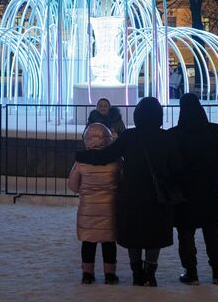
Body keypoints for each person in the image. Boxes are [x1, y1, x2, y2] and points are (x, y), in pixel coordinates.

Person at [77, 97, 183, 287]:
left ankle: (136, 273)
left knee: (134, 233)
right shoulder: (167, 137)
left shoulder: (130, 136)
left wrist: (82, 156)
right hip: (158, 195)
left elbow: (106, 155)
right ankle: (150, 274)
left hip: (132, 192)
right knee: (154, 234)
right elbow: (177, 167)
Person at [168, 93, 218, 285]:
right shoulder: (214, 131)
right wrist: (213, 174)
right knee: (212, 232)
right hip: (207, 189)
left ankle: (191, 272)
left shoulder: (174, 134)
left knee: (185, 234)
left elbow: (169, 163)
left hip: (184, 191)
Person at [68, 123, 121, 285]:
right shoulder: (116, 160)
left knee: (88, 241)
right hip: (109, 207)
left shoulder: (81, 161)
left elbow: (73, 185)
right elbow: (122, 180)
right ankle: (110, 274)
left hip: (88, 207)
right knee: (109, 241)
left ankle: (87, 274)